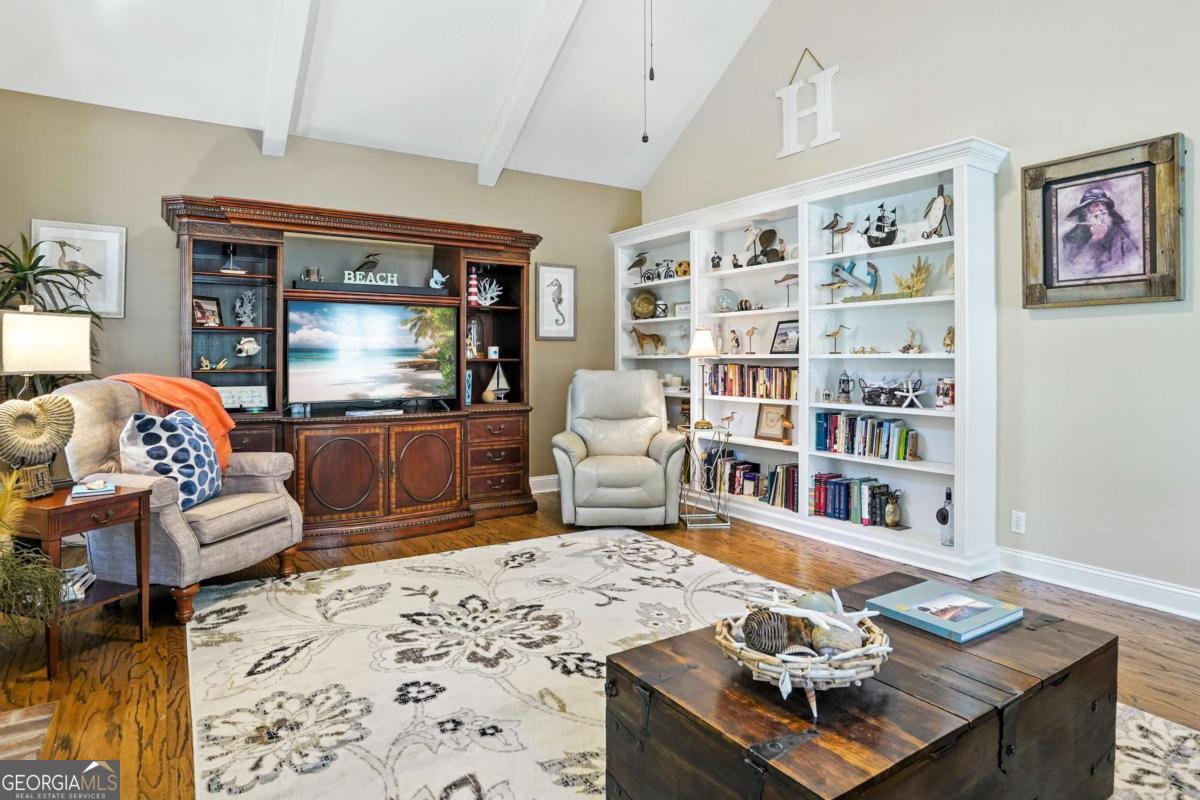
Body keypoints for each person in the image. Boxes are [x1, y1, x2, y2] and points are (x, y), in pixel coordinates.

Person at [1061, 186, 1139, 276]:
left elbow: (1131, 260)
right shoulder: (1072, 237)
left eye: (1103, 205)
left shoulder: (1118, 232)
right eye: (1096, 205)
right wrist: (1094, 241)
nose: (1102, 209)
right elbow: (1072, 269)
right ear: (1086, 211)